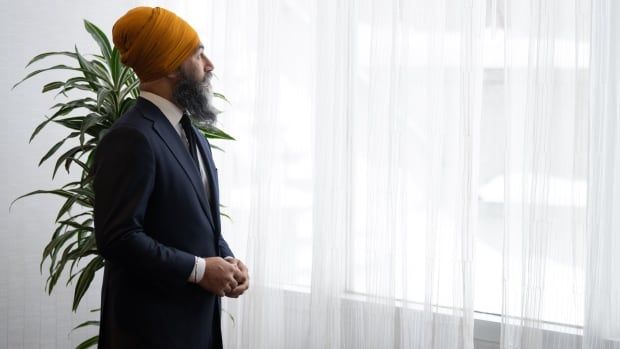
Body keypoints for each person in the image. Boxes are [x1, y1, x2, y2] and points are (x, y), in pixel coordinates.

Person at [93, 6, 249, 349]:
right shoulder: (131, 137)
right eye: (198, 54)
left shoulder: (195, 135)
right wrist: (198, 270)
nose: (209, 65)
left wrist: (226, 261)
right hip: (150, 334)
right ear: (169, 66)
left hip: (198, 329)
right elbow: (117, 237)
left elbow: (196, 222)